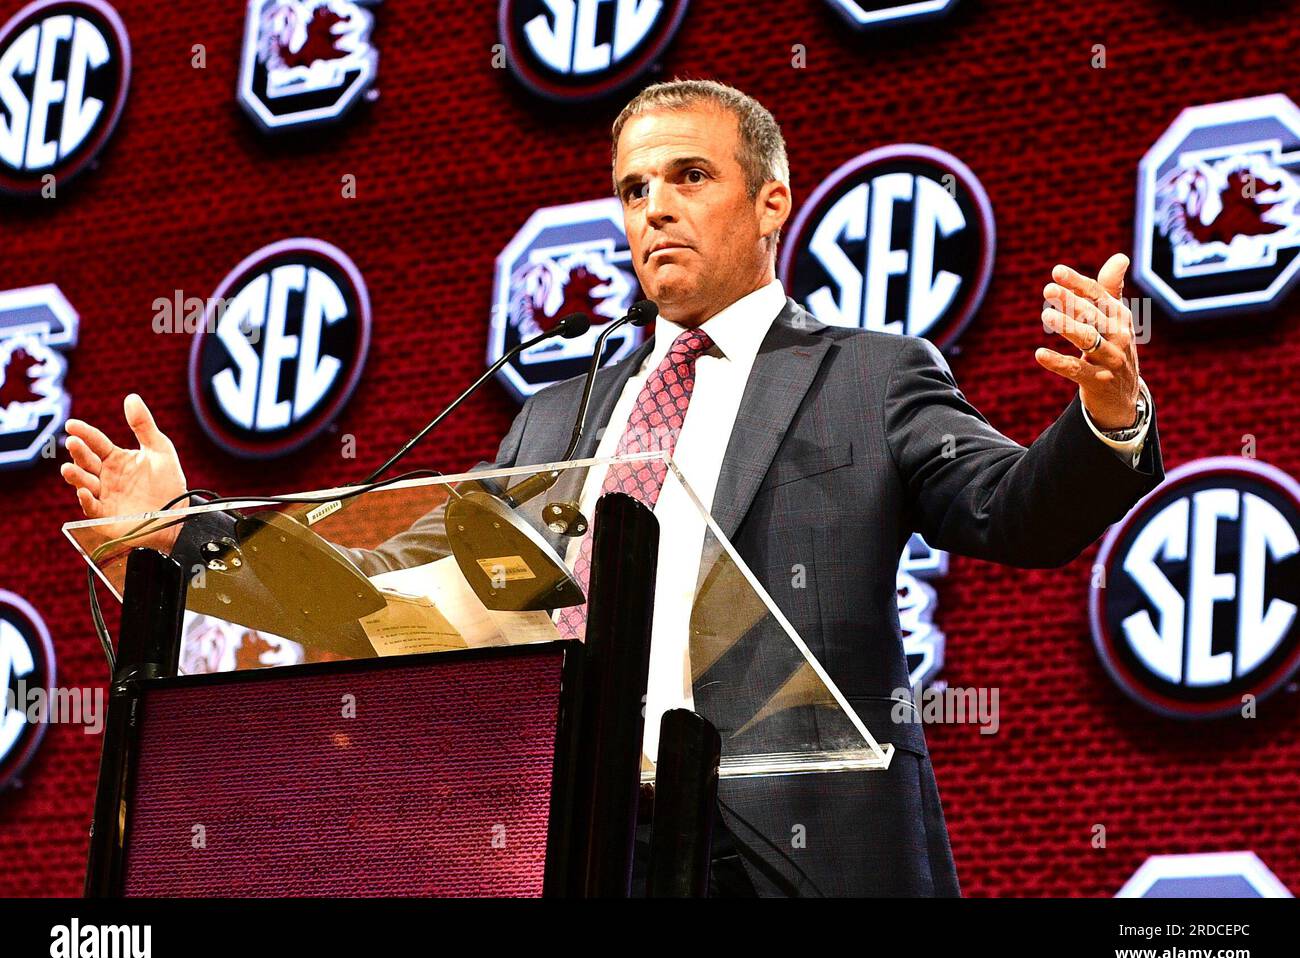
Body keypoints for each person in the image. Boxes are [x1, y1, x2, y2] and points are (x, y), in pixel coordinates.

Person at [61, 79, 1162, 896]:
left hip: (793, 853)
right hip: (575, 841)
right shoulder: (558, 413)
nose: (654, 209)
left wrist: (1107, 415)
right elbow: (385, 595)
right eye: (633, 188)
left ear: (773, 200)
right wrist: (181, 533)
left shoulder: (867, 374)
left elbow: (1013, 510)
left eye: (690, 176)